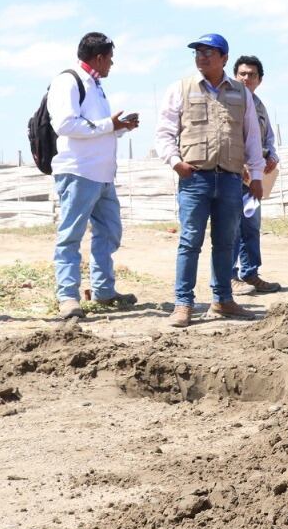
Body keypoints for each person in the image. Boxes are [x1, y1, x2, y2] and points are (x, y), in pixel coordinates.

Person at [154, 34, 266, 328]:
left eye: (209, 53)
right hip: (195, 179)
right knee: (190, 241)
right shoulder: (181, 89)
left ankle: (223, 300)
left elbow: (252, 137)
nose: (202, 57)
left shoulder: (241, 94)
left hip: (230, 179)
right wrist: (175, 162)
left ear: (224, 58)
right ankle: (183, 304)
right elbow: (164, 131)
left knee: (226, 241)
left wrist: (256, 175)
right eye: (198, 53)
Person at [49, 32, 140, 319]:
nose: (112, 64)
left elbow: (97, 127)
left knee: (110, 232)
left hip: (102, 175)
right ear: (99, 58)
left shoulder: (95, 84)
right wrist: (107, 125)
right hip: (78, 172)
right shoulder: (69, 80)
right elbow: (65, 124)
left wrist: (120, 126)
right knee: (70, 237)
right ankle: (68, 297)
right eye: (110, 59)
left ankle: (103, 291)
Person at [230, 55, 282, 294]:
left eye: (252, 74)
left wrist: (271, 156)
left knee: (251, 224)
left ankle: (250, 273)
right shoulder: (229, 102)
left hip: (254, 178)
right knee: (231, 227)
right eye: (242, 73)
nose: (246, 78)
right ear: (235, 76)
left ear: (259, 79)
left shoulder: (259, 105)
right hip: (233, 174)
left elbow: (268, 136)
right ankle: (229, 276)